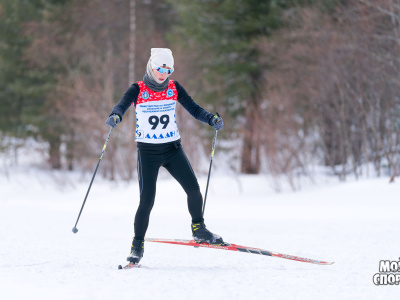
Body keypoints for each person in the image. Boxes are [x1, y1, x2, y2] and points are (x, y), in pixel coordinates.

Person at [106, 48, 225, 265]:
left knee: (193, 190)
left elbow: (194, 108)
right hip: (148, 152)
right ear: (151, 66)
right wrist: (116, 115)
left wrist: (211, 119)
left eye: (168, 69)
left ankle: (199, 229)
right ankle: (137, 246)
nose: (164, 73)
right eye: (160, 68)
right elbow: (122, 105)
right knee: (147, 200)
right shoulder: (137, 89)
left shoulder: (173, 87)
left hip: (172, 149)